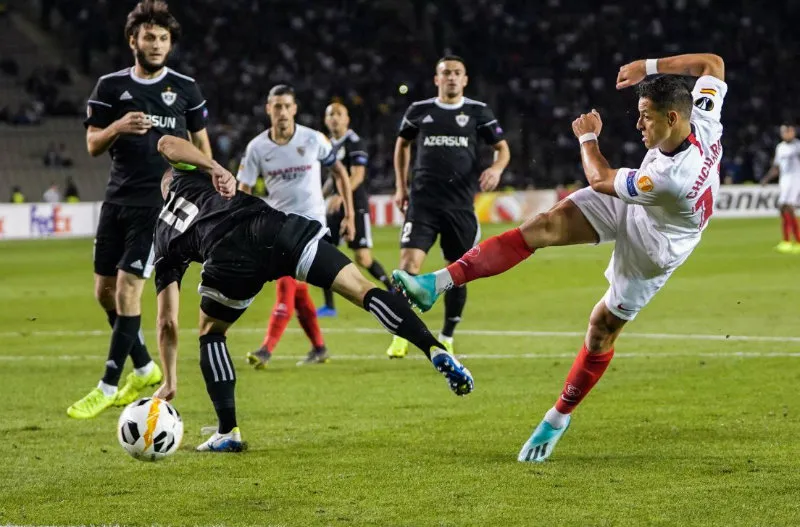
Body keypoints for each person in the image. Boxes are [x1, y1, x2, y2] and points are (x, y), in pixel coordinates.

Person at [394, 53, 727, 462]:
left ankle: (557, 417)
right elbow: (712, 64)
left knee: (600, 330)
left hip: (656, 246)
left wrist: (588, 138)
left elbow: (600, 179)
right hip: (638, 204)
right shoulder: (704, 115)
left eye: (646, 117)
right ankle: (435, 283)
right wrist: (649, 66)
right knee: (544, 225)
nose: (638, 124)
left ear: (672, 118)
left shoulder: (670, 177)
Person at [153, 135, 474, 451]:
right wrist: (212, 166)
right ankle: (433, 347)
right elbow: (167, 143)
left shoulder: (162, 238)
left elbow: (167, 321)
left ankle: (227, 431)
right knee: (364, 289)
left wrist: (170, 379)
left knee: (211, 333)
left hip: (228, 257)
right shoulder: (189, 173)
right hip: (272, 227)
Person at [68, 0, 213, 419]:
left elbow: (202, 146)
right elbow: (93, 145)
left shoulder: (185, 88)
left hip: (158, 206)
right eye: (149, 37)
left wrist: (208, 188)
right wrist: (118, 126)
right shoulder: (110, 87)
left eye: (164, 38)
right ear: (133, 40)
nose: (157, 44)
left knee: (128, 289)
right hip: (117, 201)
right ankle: (146, 366)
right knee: (105, 293)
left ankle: (107, 386)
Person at [388, 55, 510, 358]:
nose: (452, 77)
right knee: (407, 269)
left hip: (460, 206)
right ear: (437, 79)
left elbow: (502, 148)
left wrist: (496, 169)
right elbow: (402, 144)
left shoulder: (478, 112)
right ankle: (402, 334)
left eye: (457, 72)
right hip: (422, 203)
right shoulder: (420, 110)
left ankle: (447, 336)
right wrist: (401, 186)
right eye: (446, 73)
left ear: (465, 79)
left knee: (456, 273)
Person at [237, 85, 353, 367]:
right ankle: (319, 348)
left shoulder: (313, 139)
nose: (282, 112)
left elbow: (340, 172)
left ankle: (266, 350)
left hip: (313, 229)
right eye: (277, 106)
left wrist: (349, 214)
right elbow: (244, 189)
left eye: (287, 106)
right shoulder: (257, 148)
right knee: (298, 291)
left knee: (286, 287)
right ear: (269, 109)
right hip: (280, 228)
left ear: (294, 109)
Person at [317, 102, 392, 317]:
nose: (334, 118)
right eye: (330, 114)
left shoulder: (354, 142)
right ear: (326, 120)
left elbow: (357, 176)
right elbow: (333, 178)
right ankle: (329, 306)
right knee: (323, 252)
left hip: (355, 205)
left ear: (347, 119)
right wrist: (319, 198)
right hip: (334, 206)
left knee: (363, 258)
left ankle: (393, 291)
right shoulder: (329, 144)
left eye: (339, 114)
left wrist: (341, 196)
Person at [761, 124, 800, 253]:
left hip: (795, 180)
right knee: (783, 209)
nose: (787, 134)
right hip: (784, 180)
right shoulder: (780, 147)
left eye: (789, 131)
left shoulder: (797, 146)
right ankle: (788, 241)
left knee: (788, 206)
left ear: (793, 132)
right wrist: (767, 178)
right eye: (784, 131)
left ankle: (795, 241)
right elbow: (777, 167)